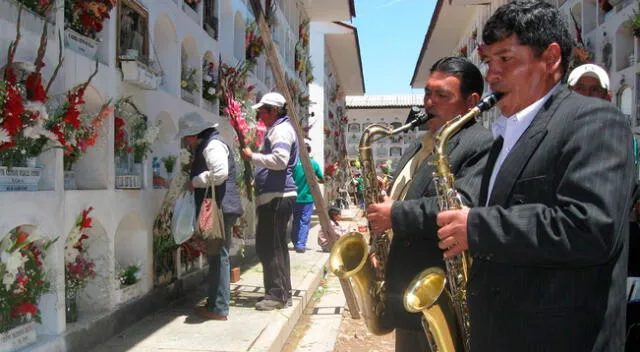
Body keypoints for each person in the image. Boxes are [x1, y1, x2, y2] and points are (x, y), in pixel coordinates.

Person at [435, 1, 636, 350]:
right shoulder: (506, 135)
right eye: (489, 62)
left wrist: (477, 228)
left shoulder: (595, 121)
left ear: (551, 58)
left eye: (506, 59)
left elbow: (591, 227)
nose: (492, 74)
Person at [366, 56, 492, 351]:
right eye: (427, 93)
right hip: (406, 284)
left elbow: (460, 204)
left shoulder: (481, 143)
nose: (429, 102)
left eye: (442, 95)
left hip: (437, 289)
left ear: (471, 101)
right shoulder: (419, 143)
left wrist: (394, 214)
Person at [176, 112, 243, 321]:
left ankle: (219, 307)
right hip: (219, 207)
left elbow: (220, 172)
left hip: (220, 208)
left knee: (219, 256)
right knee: (216, 256)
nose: (186, 141)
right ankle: (215, 302)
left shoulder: (213, 145)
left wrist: (195, 181)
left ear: (195, 134)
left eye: (187, 137)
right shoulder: (210, 144)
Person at [241, 92, 298, 311]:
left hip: (277, 197)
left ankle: (276, 295)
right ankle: (283, 292)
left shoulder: (281, 130)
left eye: (262, 112)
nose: (260, 117)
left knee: (270, 247)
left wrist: (252, 156)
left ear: (274, 110)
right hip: (277, 196)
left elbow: (280, 161)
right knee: (277, 246)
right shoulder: (279, 129)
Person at [290, 140, 324, 253]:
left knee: (296, 220)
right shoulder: (313, 164)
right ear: (309, 151)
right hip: (307, 198)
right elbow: (322, 179)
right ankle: (300, 244)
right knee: (304, 221)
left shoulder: (293, 163)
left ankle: (295, 242)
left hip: (294, 197)